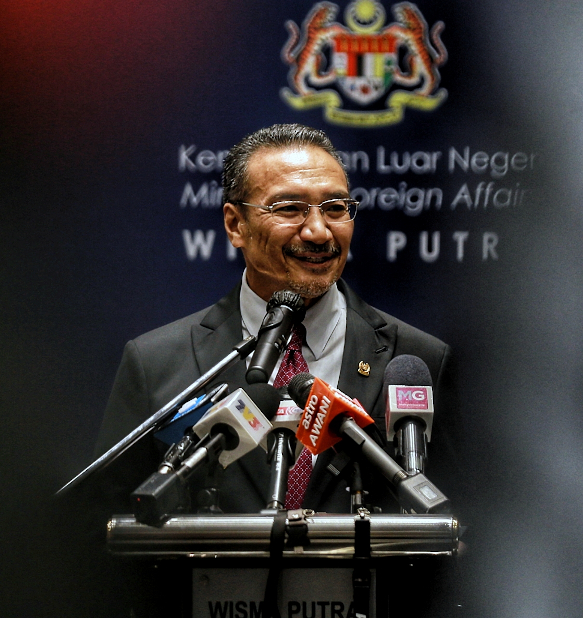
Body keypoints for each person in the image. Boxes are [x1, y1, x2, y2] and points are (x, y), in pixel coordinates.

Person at [94, 123, 458, 514]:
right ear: (236, 225)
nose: (319, 232)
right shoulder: (156, 363)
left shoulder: (418, 359)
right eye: (289, 209)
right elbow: (110, 526)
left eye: (335, 208)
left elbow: (463, 526)